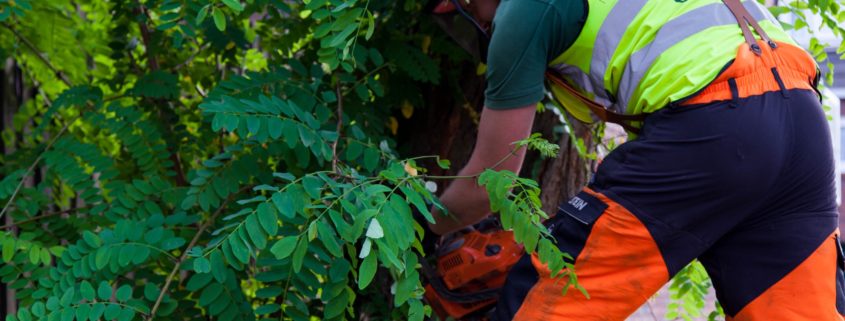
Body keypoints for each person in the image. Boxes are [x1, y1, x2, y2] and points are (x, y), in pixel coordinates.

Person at [423, 0, 845, 320]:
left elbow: (489, 183)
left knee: (545, 297)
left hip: (716, 126)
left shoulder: (524, 11)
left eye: (465, 7)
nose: (479, 23)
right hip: (802, 120)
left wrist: (422, 227)